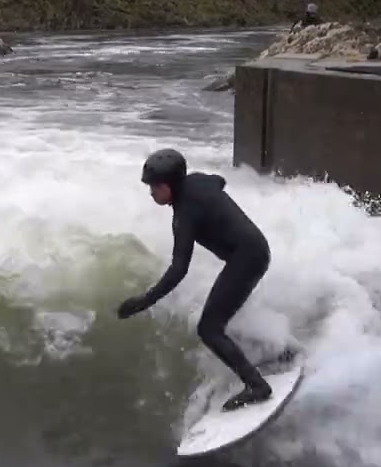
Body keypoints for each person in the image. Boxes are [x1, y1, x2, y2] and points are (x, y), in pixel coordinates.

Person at [116, 149, 273, 412]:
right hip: (256, 250)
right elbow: (218, 181)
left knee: (209, 329)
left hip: (246, 260)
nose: (152, 193)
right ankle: (281, 351)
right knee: (222, 316)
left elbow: (179, 269)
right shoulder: (198, 181)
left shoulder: (184, 215)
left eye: (155, 186)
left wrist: (144, 301)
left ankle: (256, 385)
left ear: (169, 186)